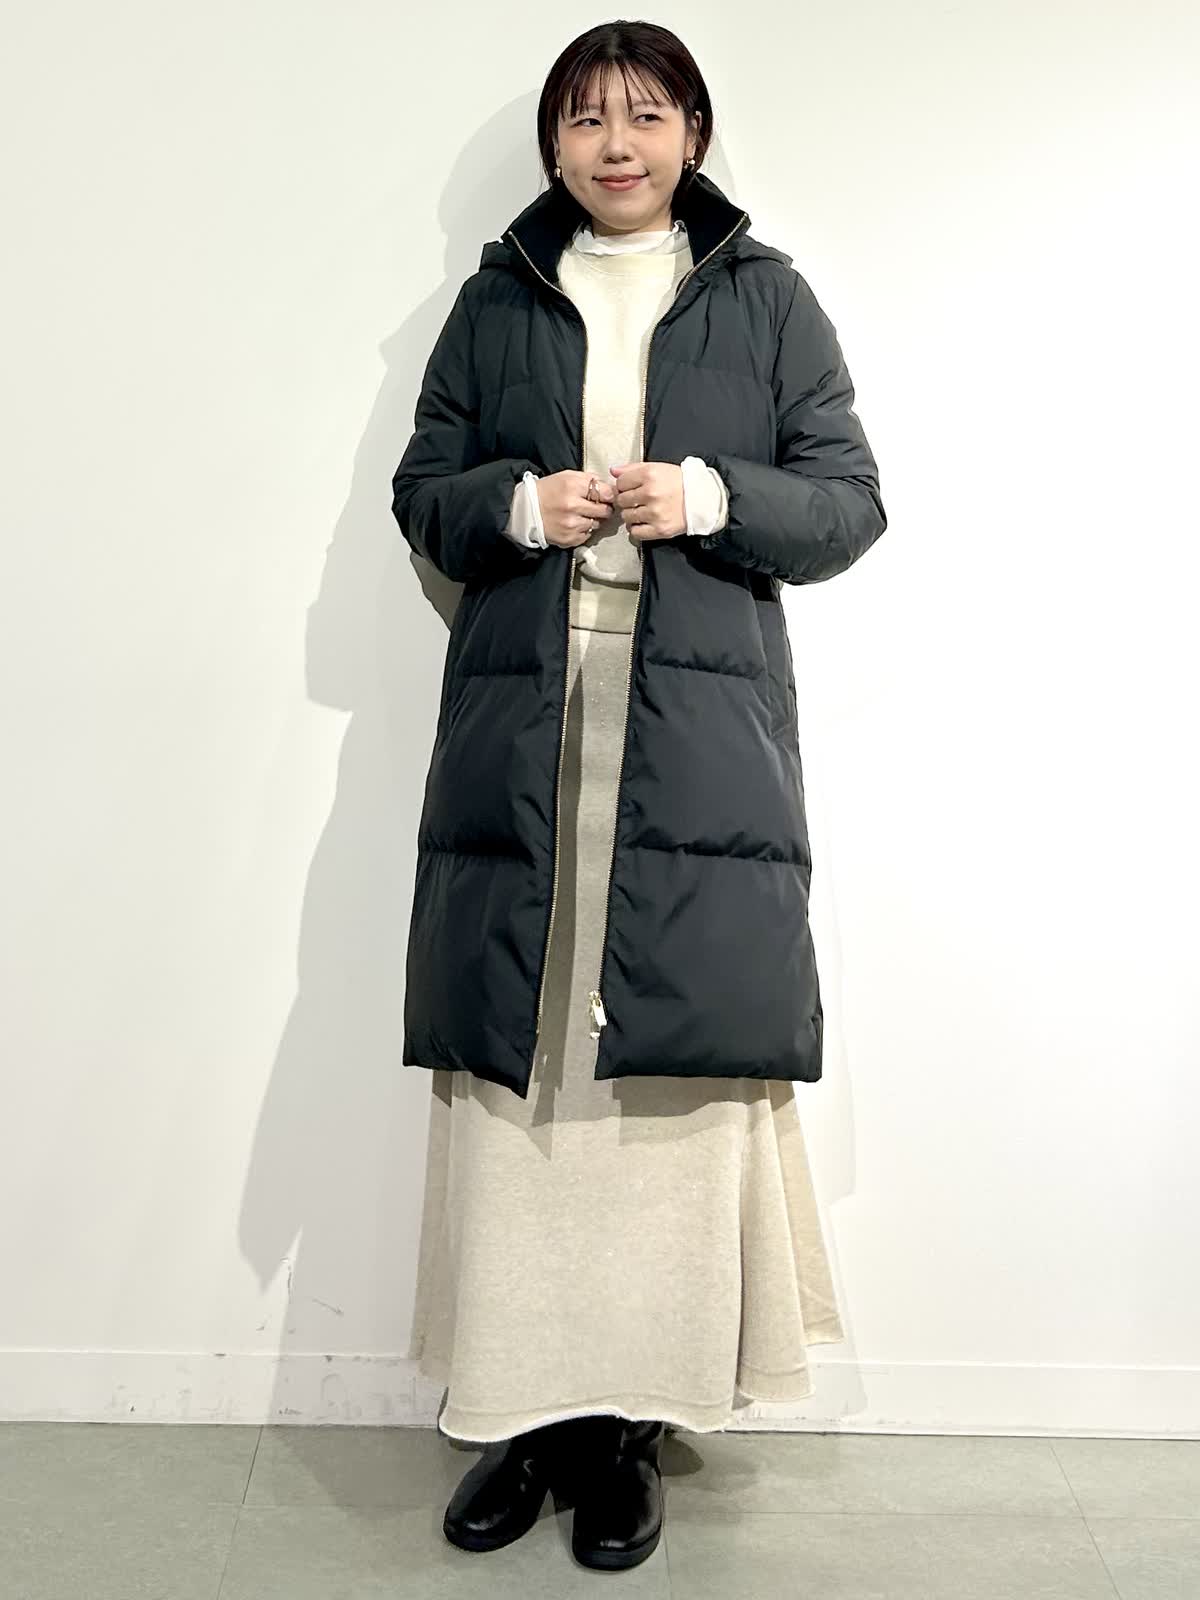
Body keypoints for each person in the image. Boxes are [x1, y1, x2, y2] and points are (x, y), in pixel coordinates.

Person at [390, 21, 886, 1572]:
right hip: (527, 724)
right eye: (589, 118)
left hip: (695, 734)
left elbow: (849, 503)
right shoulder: (497, 301)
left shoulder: (767, 297)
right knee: (528, 1073)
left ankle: (625, 1430)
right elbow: (424, 493)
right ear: (555, 144)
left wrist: (710, 496)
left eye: (648, 114)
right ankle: (523, 1414)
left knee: (661, 1091)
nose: (618, 144)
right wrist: (521, 507)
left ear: (694, 134)